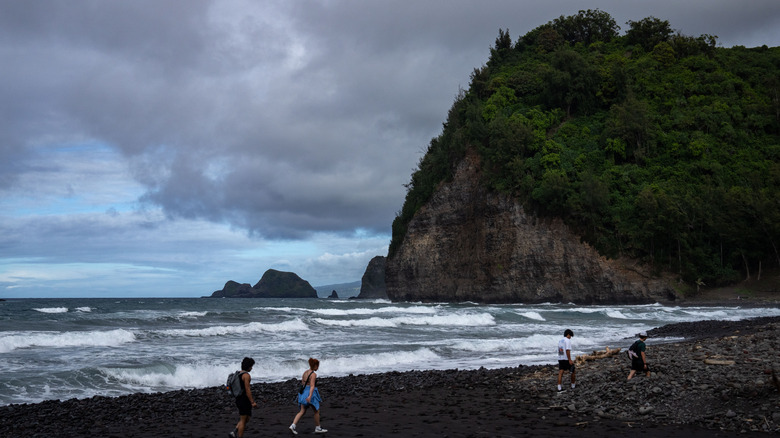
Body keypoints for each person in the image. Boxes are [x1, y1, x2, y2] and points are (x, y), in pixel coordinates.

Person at [289, 357, 327, 434]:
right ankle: (318, 428)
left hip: (303, 393)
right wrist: (310, 396)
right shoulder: (313, 374)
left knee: (302, 411)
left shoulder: (305, 372)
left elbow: (303, 383)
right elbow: (312, 386)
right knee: (316, 411)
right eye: (317, 366)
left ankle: (293, 425)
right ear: (315, 366)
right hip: (310, 394)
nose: (318, 367)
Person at [229, 357, 258, 438]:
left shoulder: (238, 373)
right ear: (248, 366)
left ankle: (234, 431)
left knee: (246, 418)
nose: (252, 368)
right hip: (244, 399)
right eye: (251, 366)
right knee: (243, 420)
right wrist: (252, 402)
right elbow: (247, 390)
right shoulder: (246, 375)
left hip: (238, 398)